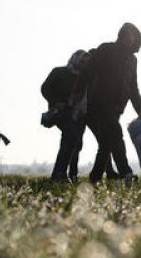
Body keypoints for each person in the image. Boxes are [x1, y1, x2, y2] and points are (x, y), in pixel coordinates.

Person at [77, 23, 141, 183]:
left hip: (117, 107)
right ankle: (125, 172)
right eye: (127, 34)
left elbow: (133, 87)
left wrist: (140, 111)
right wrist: (78, 92)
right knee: (116, 133)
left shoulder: (132, 60)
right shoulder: (106, 50)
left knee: (106, 143)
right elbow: (87, 70)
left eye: (133, 36)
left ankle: (94, 177)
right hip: (99, 102)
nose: (130, 38)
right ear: (121, 35)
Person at [41, 50, 90, 183]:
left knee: (76, 143)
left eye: (86, 62)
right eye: (82, 61)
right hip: (62, 113)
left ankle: (70, 174)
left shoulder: (86, 78)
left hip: (80, 114)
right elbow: (45, 88)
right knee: (71, 137)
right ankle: (59, 173)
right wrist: (56, 102)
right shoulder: (59, 72)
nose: (83, 64)